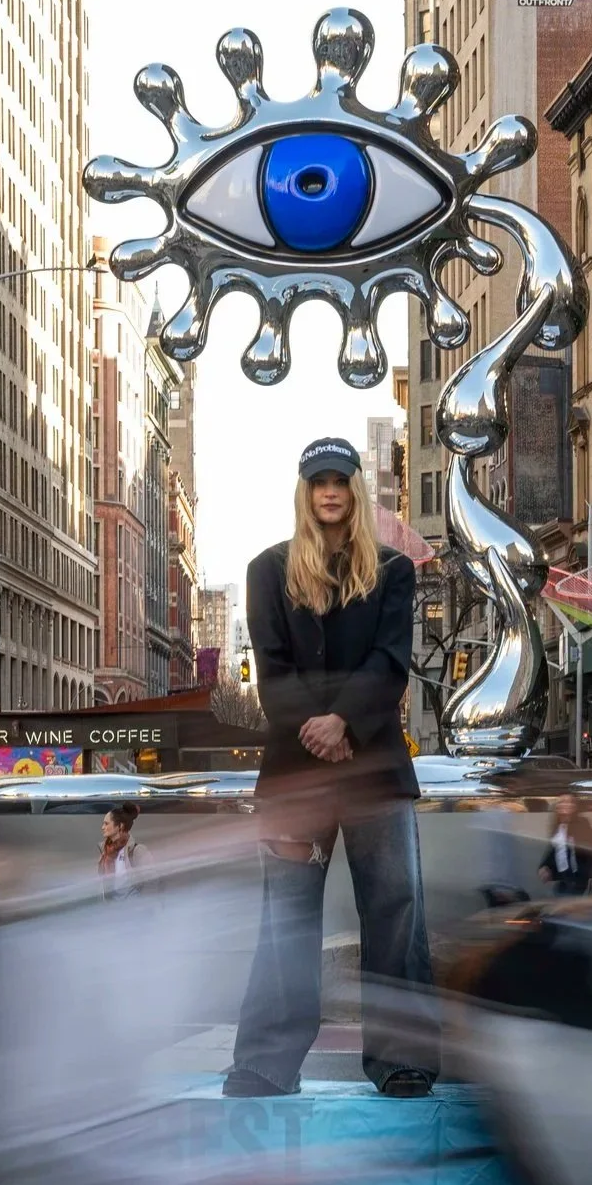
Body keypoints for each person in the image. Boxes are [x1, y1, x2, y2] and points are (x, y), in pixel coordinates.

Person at [226, 436, 438, 1100]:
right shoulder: (268, 570)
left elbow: (390, 662)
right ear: (303, 490)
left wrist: (342, 721)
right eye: (318, 480)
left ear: (356, 489)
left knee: (396, 913)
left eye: (340, 479)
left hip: (374, 767)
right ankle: (265, 1062)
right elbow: (273, 674)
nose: (329, 491)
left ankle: (403, 1059)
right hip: (297, 773)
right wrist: (323, 730)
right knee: (284, 919)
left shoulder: (395, 572)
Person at [534, 793, 592, 896]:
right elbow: (555, 850)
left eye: (569, 802)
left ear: (575, 807)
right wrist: (544, 866)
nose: (565, 804)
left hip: (579, 881)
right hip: (564, 880)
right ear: (557, 807)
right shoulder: (558, 828)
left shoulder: (583, 826)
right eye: (561, 802)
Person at [96, 802, 146, 898]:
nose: (102, 827)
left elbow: (151, 883)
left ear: (120, 826)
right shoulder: (105, 851)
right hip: (112, 908)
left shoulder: (137, 851)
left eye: (106, 824)